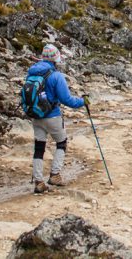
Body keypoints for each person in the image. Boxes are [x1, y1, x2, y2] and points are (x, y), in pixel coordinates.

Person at [28, 44, 87, 194]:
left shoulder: (32, 73)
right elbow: (67, 100)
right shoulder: (56, 76)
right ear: (56, 59)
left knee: (39, 148)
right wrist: (83, 101)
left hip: (35, 114)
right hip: (52, 115)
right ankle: (55, 175)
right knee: (61, 142)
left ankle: (38, 181)